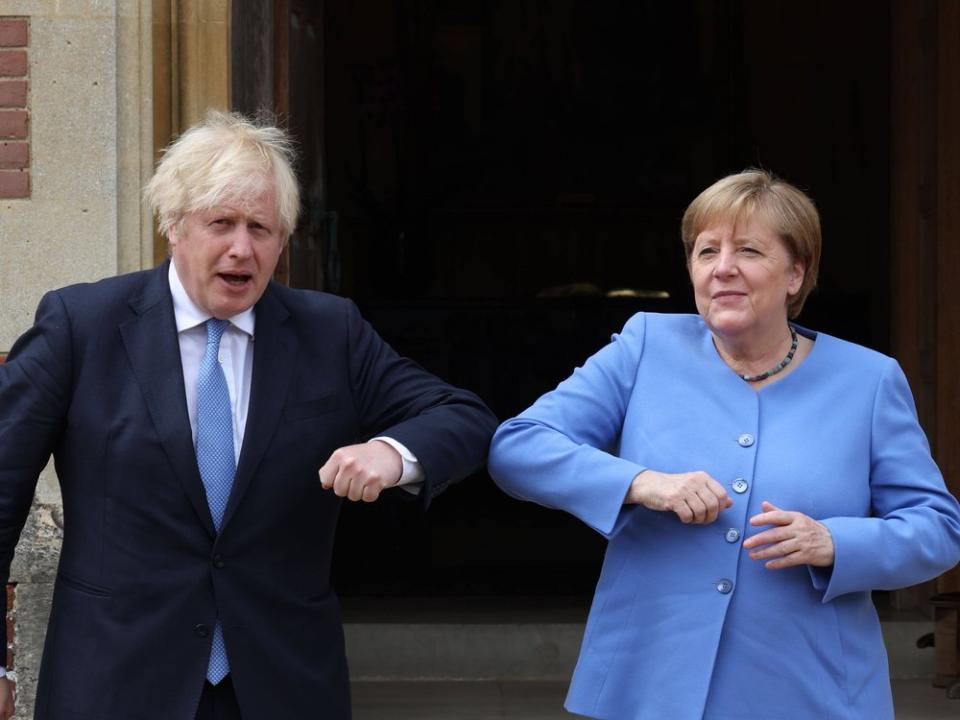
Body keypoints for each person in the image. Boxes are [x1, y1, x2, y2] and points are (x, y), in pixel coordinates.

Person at [0, 111, 497, 720]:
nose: (242, 247)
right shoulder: (83, 327)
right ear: (173, 226)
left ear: (283, 241)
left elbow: (463, 416)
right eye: (221, 223)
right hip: (115, 682)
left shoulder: (329, 332)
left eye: (261, 228)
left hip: (280, 686)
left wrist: (393, 452)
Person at [488, 170, 960, 719]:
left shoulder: (868, 380)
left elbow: (939, 527)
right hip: (651, 683)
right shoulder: (646, 346)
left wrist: (834, 542)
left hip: (811, 688)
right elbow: (518, 447)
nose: (723, 267)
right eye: (707, 251)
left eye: (750, 250)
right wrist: (642, 483)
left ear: (796, 273)